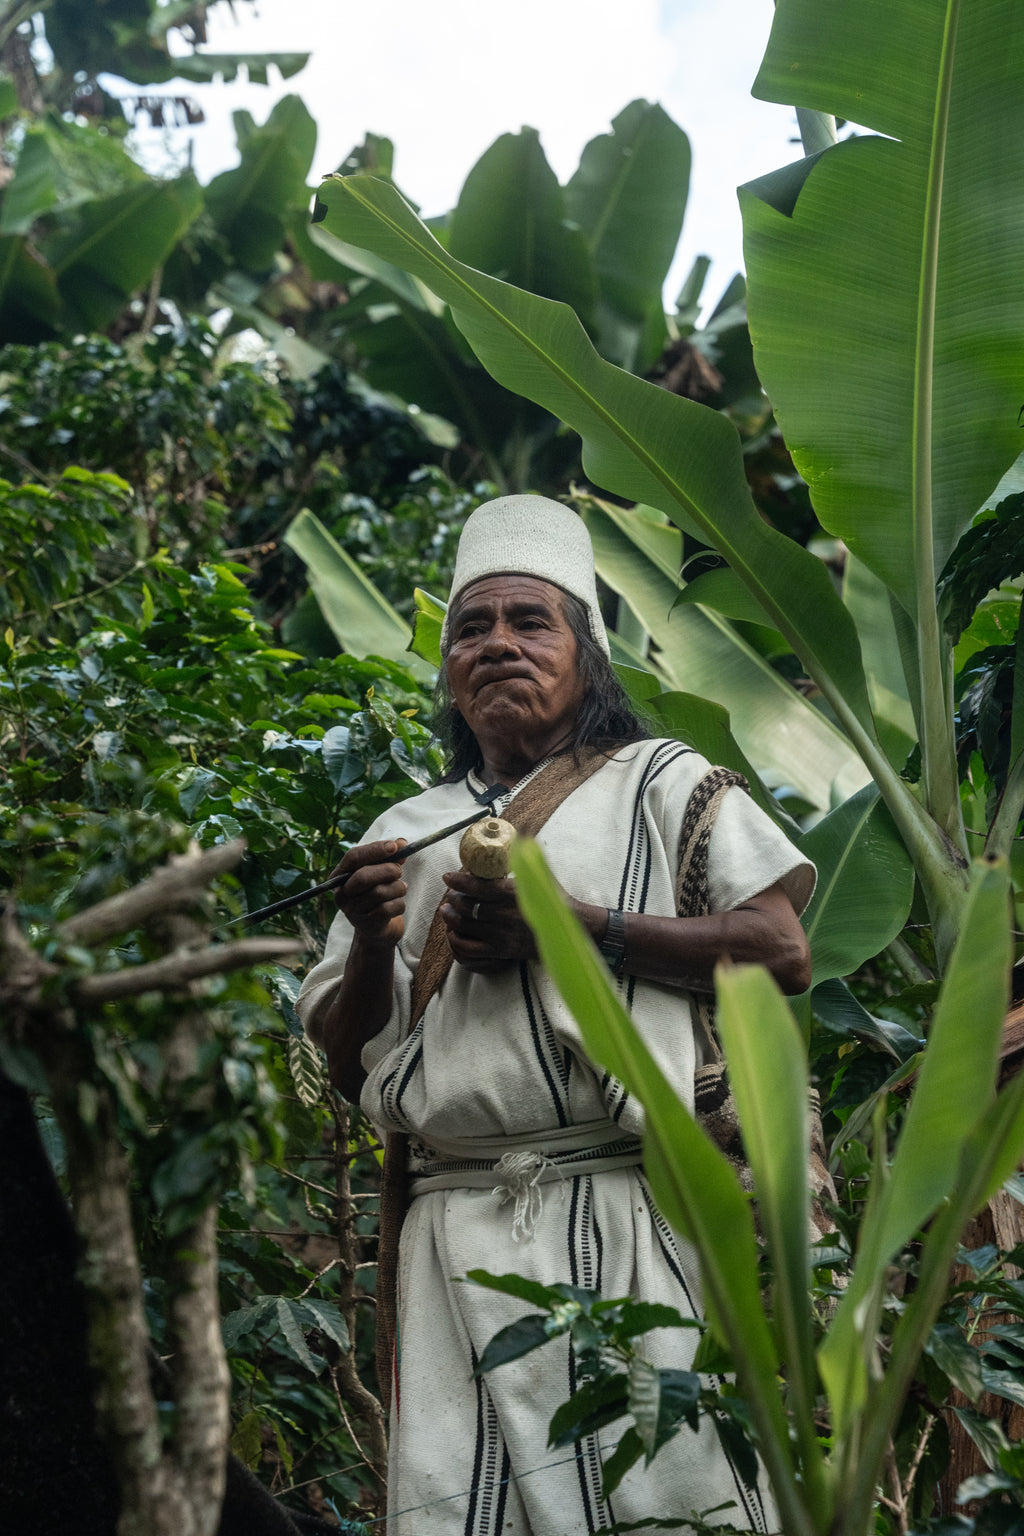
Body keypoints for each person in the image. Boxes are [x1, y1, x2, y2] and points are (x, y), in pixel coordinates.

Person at [297, 494, 815, 1536]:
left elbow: (780, 950)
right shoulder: (402, 833)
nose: (498, 644)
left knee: (672, 1503)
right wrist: (366, 936)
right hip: (452, 1234)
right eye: (471, 626)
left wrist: (567, 931)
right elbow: (345, 1060)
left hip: (628, 1213)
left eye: (531, 621)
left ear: (586, 652)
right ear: (447, 667)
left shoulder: (661, 783)